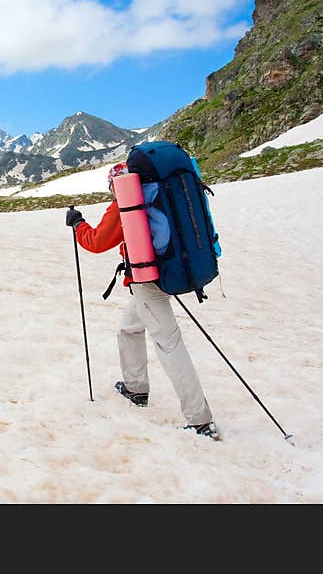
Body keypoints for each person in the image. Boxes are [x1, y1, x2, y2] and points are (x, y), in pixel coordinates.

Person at [65, 163, 220, 440]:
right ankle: (136, 387)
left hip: (147, 283)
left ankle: (200, 421)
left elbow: (97, 242)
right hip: (165, 273)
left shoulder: (127, 203)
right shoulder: (157, 196)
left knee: (169, 344)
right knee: (129, 328)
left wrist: (78, 223)